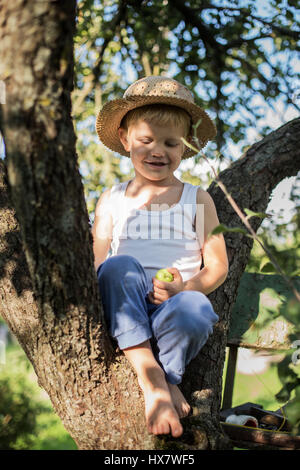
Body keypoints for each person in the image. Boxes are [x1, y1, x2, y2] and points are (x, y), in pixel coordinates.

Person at [92, 76, 228, 438]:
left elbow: (217, 265)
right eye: (146, 140)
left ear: (185, 147)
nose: (158, 151)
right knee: (117, 265)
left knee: (197, 308)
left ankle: (167, 378)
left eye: (171, 143)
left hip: (172, 306)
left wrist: (185, 286)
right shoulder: (112, 199)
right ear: (125, 139)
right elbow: (96, 261)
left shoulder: (197, 199)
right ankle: (155, 381)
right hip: (125, 304)